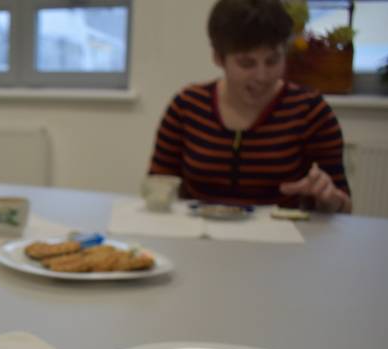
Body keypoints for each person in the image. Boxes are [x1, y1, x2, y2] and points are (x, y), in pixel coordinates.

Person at [148, 0, 352, 212]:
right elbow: (157, 187)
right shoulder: (187, 107)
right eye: (247, 63)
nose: (262, 76)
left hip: (283, 239)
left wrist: (329, 199)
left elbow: (344, 207)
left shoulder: (311, 112)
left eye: (272, 61)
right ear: (218, 57)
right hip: (198, 237)